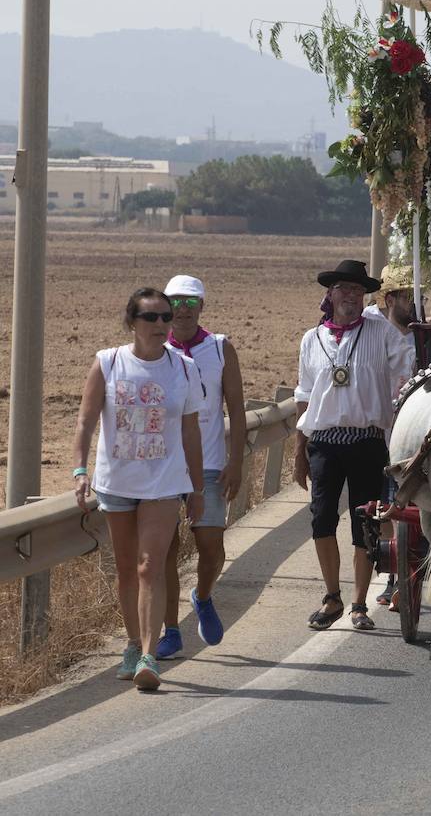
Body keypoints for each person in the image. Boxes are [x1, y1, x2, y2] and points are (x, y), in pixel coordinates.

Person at [74, 288, 205, 690]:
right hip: (117, 482)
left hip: (164, 482)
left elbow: (190, 431)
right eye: (151, 318)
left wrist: (197, 489)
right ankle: (132, 644)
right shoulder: (109, 363)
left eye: (166, 317)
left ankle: (150, 654)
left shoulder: (183, 368)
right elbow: (86, 421)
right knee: (128, 569)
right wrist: (80, 470)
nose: (161, 325)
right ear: (132, 322)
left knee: (151, 566)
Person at [293, 260, 413, 631]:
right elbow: (304, 398)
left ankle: (359, 603)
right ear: (330, 294)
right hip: (324, 442)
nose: (351, 296)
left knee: (365, 524)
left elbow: (408, 371)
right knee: (321, 520)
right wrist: (300, 453)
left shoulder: (381, 333)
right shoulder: (312, 340)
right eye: (344, 289)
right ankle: (332, 596)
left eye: (358, 291)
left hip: (367, 441)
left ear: (365, 297)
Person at [152, 276, 246, 661]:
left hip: (208, 464)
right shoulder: (154, 350)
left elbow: (237, 409)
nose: (183, 311)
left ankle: (203, 596)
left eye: (191, 303)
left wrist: (236, 461)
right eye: (175, 303)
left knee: (211, 546)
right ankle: (171, 630)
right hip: (163, 467)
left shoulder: (220, 348)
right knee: (165, 552)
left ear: (202, 307)